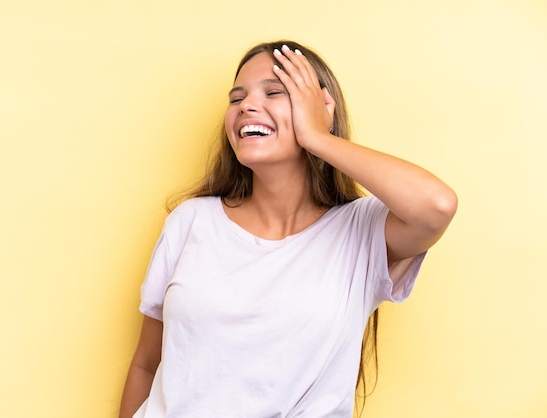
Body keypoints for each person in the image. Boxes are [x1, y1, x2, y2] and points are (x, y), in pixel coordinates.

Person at [119, 40, 457, 418]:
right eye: (236, 98)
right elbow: (146, 365)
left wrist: (318, 139)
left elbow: (436, 206)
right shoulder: (190, 221)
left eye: (274, 92)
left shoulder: (361, 231)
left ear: (317, 109)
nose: (246, 105)